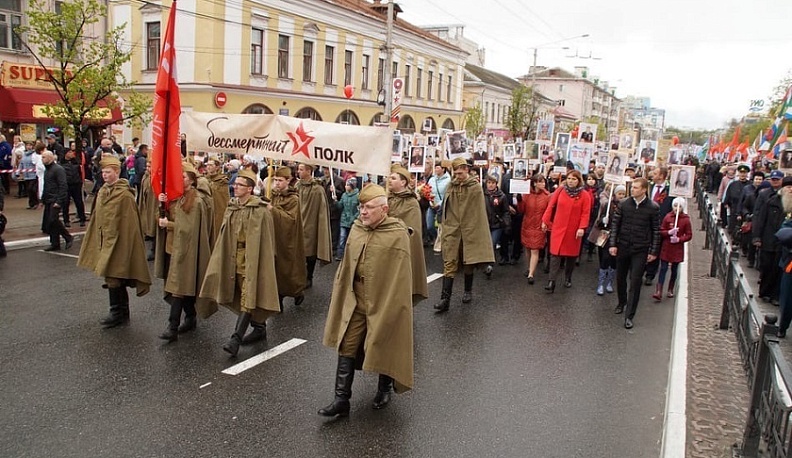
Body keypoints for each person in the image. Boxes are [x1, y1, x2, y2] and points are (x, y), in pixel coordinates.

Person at [319, 184, 414, 416]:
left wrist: (392, 306)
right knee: (347, 345)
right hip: (356, 300)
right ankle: (341, 399)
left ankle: (384, 388)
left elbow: (400, 277)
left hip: (383, 301)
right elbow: (347, 266)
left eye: (369, 207)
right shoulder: (357, 229)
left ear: (384, 209)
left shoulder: (397, 234)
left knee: (384, 343)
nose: (363, 211)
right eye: (361, 207)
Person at [198, 168, 280, 357]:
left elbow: (267, 240)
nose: (235, 187)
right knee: (242, 293)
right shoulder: (232, 207)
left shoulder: (260, 210)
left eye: (240, 185)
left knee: (248, 295)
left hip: (252, 258)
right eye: (235, 184)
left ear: (250, 189)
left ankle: (235, 339)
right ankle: (259, 327)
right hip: (234, 257)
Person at [77, 156, 151, 327]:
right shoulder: (103, 191)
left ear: (117, 172)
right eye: (103, 172)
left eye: (108, 172)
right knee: (112, 276)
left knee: (114, 276)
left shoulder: (124, 195)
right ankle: (122, 311)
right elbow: (97, 216)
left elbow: (130, 225)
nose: (104, 175)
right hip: (105, 240)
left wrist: (126, 247)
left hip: (119, 243)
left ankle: (116, 311)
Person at [154, 162, 212, 342]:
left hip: (187, 249)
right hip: (173, 246)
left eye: (183, 177)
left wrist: (168, 225)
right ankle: (190, 317)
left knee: (178, 287)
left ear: (192, 180)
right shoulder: (178, 197)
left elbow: (188, 229)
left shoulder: (195, 201)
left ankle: (172, 327)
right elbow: (169, 216)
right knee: (181, 285)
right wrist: (162, 204)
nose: (179, 179)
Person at [434, 158, 495, 313]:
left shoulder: (475, 187)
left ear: (466, 170)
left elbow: (479, 212)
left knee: (469, 262)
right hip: (453, 231)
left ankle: (467, 291)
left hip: (470, 230)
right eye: (456, 173)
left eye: (460, 172)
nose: (458, 176)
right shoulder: (451, 186)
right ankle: (445, 299)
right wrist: (444, 223)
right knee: (449, 262)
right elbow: (447, 207)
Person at [609, 177, 660, 329]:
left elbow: (656, 230)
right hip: (623, 246)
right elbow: (615, 225)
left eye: (636, 188)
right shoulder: (624, 204)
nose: (633, 190)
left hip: (641, 248)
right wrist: (613, 244)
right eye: (632, 187)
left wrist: (653, 251)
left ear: (644, 190)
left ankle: (630, 315)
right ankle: (621, 302)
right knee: (620, 278)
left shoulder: (653, 207)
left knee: (635, 281)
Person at [541, 170, 592, 292]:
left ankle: (568, 277)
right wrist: (545, 221)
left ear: (579, 181)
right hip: (558, 227)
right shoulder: (560, 190)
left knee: (571, 256)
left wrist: (582, 227)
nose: (571, 181)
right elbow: (551, 206)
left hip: (573, 229)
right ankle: (551, 281)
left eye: (574, 179)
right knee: (555, 254)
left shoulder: (584, 195)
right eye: (569, 178)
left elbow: (586, 213)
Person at [268, 166, 307, 311]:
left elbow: (290, 220)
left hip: (287, 238)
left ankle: (297, 292)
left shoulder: (293, 199)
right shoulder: (272, 195)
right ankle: (278, 298)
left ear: (288, 180)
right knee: (275, 268)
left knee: (287, 269)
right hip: (273, 236)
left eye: (280, 180)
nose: (277, 183)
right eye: (275, 180)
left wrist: (273, 210)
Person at [388, 165, 429, 300]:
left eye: (393, 178)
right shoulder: (387, 198)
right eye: (389, 177)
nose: (389, 180)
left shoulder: (411, 203)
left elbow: (413, 230)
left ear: (403, 182)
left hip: (400, 247)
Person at [752, 176, 792, 305]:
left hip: (784, 244)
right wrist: (757, 237)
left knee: (779, 269)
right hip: (768, 239)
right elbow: (761, 220)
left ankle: (775, 295)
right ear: (783, 188)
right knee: (767, 266)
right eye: (788, 187)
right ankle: (764, 292)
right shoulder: (771, 201)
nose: (790, 189)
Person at [296, 163, 333, 287]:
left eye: (301, 169)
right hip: (298, 222)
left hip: (311, 223)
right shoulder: (297, 185)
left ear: (308, 171)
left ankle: (309, 277)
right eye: (298, 169)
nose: (298, 172)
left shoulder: (317, 189)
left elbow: (321, 210)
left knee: (310, 252)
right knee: (298, 252)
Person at [652, 197, 692, 301]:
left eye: (679, 207)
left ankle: (670, 288)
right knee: (663, 268)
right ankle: (659, 290)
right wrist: (668, 233)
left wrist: (679, 239)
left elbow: (689, 235)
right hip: (667, 246)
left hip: (677, 248)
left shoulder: (686, 220)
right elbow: (661, 231)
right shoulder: (668, 217)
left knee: (674, 269)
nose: (676, 208)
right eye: (675, 206)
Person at [517, 173, 551, 284]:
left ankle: (531, 274)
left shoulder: (547, 196)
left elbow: (549, 212)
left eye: (543, 181)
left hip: (539, 226)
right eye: (540, 181)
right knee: (527, 248)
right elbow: (521, 210)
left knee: (535, 249)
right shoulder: (527, 195)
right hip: (527, 225)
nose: (543, 184)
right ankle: (529, 267)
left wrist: (545, 222)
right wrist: (519, 200)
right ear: (535, 183)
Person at [595, 184, 626, 295]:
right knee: (605, 259)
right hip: (607, 236)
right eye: (619, 193)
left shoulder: (626, 207)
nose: (621, 196)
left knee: (614, 261)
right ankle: (600, 284)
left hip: (619, 238)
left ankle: (609, 283)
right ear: (615, 194)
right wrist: (604, 220)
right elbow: (598, 222)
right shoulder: (608, 205)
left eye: (623, 194)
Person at [40, 151, 74, 251]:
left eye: (44, 157)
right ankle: (55, 243)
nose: (42, 159)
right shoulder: (47, 170)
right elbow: (46, 186)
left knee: (53, 220)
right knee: (50, 223)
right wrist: (42, 200)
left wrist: (59, 201)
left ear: (50, 158)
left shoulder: (58, 169)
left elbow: (63, 186)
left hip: (56, 199)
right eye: (42, 157)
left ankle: (68, 237)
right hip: (48, 199)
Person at [482, 174, 511, 278]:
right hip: (485, 224)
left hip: (496, 224)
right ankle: (485, 263)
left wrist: (506, 224)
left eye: (493, 183)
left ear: (496, 184)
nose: (490, 185)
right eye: (489, 183)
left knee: (492, 243)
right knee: (485, 245)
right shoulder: (482, 194)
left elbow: (506, 211)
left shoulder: (501, 196)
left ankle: (489, 265)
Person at [61, 145, 86, 227]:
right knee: (65, 203)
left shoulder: (75, 162)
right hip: (67, 185)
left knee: (79, 202)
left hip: (76, 184)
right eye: (70, 152)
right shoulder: (61, 164)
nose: (72, 153)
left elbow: (79, 172)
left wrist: (80, 182)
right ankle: (66, 220)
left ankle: (82, 218)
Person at [426, 162, 450, 245]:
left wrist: (439, 204)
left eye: (438, 168)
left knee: (442, 226)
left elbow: (447, 194)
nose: (436, 169)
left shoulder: (448, 180)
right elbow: (428, 191)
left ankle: (442, 241)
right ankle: (436, 237)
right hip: (432, 205)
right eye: (435, 168)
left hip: (442, 206)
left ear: (443, 169)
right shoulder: (432, 179)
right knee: (429, 226)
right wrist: (430, 201)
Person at [335, 178, 360, 260]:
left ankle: (349, 256)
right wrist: (335, 201)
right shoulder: (344, 195)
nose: (345, 186)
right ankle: (340, 255)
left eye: (347, 185)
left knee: (351, 239)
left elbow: (359, 209)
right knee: (342, 238)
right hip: (344, 220)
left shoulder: (358, 196)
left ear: (352, 186)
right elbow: (340, 206)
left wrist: (354, 218)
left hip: (353, 221)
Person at [18, 141, 39, 209]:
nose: (28, 147)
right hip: (26, 175)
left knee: (32, 189)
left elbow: (36, 163)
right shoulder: (24, 154)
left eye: (30, 145)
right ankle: (31, 204)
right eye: (27, 145)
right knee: (29, 190)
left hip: (33, 175)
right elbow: (21, 164)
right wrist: (18, 172)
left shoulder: (34, 154)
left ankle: (36, 202)